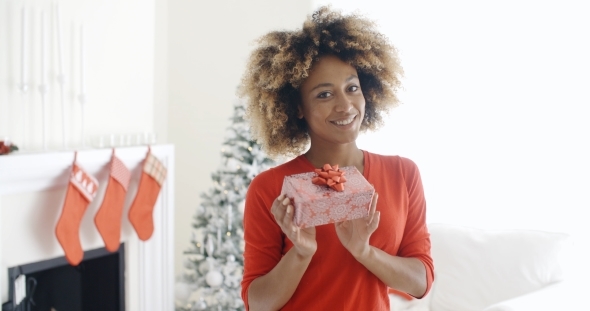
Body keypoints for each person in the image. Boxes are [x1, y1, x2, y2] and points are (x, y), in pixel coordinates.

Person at [238, 6, 434, 311]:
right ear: (298, 107)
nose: (345, 105)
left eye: (352, 88)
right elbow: (258, 302)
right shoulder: (270, 188)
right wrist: (300, 254)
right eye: (324, 95)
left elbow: (421, 281)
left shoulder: (403, 173)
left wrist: (365, 252)